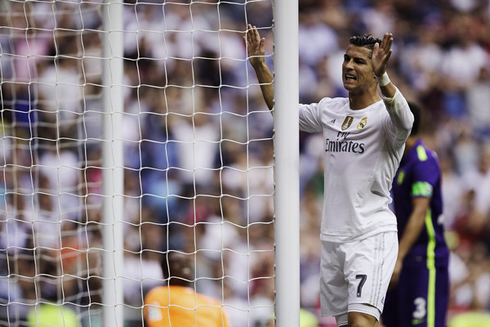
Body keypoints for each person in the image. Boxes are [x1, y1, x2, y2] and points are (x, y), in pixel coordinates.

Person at [244, 25, 414, 327]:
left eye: (359, 62)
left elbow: (406, 118)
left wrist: (386, 78)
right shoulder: (330, 110)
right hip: (333, 236)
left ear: (376, 69)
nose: (349, 66)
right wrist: (259, 65)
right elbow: (281, 111)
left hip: (370, 233)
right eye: (347, 59)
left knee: (361, 320)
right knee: (352, 323)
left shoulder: (386, 119)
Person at [382, 102, 449, 327]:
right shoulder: (399, 161)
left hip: (425, 259)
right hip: (402, 258)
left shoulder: (423, 161)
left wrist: (398, 257)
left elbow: (420, 212)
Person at [143, 251, 232, 327]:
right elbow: (156, 322)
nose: (184, 265)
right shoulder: (158, 294)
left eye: (187, 262)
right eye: (177, 263)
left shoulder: (213, 303)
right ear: (165, 271)